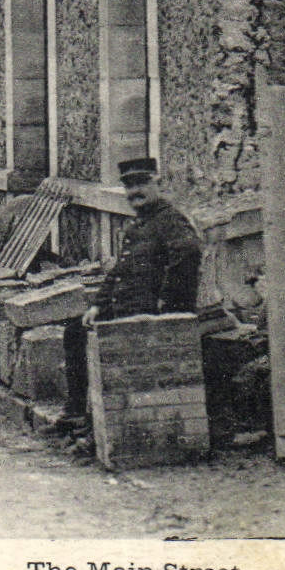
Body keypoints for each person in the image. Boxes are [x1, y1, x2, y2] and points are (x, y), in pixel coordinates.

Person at [54, 157, 201, 437]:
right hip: (125, 307)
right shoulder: (138, 225)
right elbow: (119, 270)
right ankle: (78, 412)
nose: (135, 192)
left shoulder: (170, 220)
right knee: (76, 330)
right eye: (129, 186)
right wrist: (97, 305)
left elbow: (188, 255)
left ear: (158, 184)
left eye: (142, 183)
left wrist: (169, 310)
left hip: (146, 312)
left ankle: (96, 419)